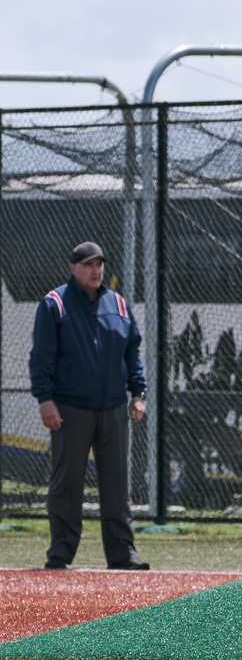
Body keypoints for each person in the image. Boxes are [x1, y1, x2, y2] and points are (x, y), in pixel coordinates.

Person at [29, 241, 150, 570]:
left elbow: (132, 354)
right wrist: (45, 400)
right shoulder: (54, 304)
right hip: (70, 408)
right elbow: (41, 358)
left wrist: (137, 394)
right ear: (73, 268)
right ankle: (61, 553)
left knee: (116, 482)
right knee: (67, 482)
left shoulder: (120, 305)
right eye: (88, 264)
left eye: (100, 264)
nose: (96, 270)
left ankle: (122, 554)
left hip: (112, 407)